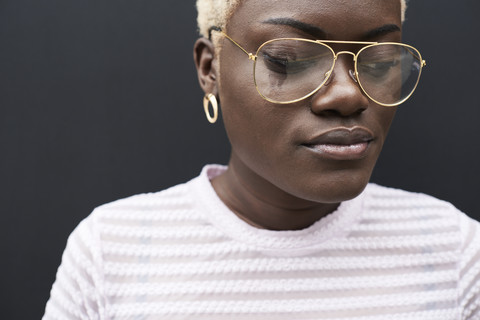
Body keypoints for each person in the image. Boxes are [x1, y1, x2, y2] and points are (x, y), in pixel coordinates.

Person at [43, 0, 480, 319]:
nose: (348, 94)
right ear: (210, 69)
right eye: (289, 61)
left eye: (380, 62)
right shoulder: (113, 251)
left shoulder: (453, 250)